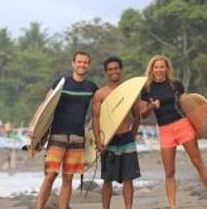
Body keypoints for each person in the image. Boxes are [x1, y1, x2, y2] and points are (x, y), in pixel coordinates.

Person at [140, 55, 207, 209]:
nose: (159, 70)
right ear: (152, 69)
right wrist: (151, 107)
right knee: (169, 171)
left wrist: (202, 122)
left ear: (167, 68)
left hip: (183, 125)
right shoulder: (147, 88)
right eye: (156, 67)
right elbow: (143, 114)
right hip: (165, 131)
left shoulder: (176, 85)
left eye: (162, 67)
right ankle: (172, 206)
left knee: (198, 163)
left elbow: (188, 105)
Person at [28, 51, 98, 209]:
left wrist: (93, 131)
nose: (82, 65)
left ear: (89, 65)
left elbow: (99, 110)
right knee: (51, 174)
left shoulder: (91, 87)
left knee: (68, 178)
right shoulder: (61, 82)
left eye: (85, 62)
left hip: (78, 138)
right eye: (79, 62)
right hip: (57, 136)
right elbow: (45, 104)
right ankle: (39, 207)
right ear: (73, 63)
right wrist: (34, 125)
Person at [92, 56, 141, 209]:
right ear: (106, 72)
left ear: (120, 70)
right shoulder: (100, 94)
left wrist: (133, 133)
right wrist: (99, 141)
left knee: (129, 177)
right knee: (107, 179)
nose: (114, 71)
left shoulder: (129, 92)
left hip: (126, 138)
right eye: (110, 69)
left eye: (116, 68)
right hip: (109, 141)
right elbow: (95, 119)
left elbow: (137, 115)